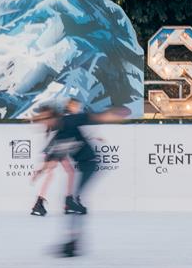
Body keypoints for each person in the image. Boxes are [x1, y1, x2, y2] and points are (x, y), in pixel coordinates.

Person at [34, 103, 127, 257]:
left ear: (53, 117)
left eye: (44, 119)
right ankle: (72, 241)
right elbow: (51, 161)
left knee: (73, 202)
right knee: (72, 203)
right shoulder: (57, 137)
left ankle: (73, 243)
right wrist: (40, 172)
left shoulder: (69, 121)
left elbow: (95, 117)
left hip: (90, 163)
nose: (43, 122)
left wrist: (114, 114)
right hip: (83, 166)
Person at [30, 101, 87, 216]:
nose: (77, 108)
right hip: (54, 149)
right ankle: (41, 203)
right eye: (75, 106)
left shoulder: (66, 118)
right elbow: (57, 135)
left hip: (59, 149)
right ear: (70, 106)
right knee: (53, 173)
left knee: (69, 172)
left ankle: (67, 202)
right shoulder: (63, 118)